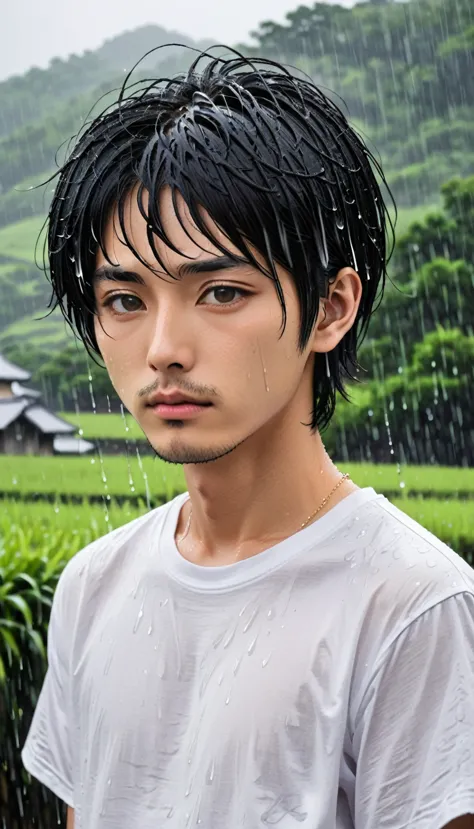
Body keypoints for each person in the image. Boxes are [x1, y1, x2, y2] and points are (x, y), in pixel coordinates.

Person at [22, 47, 474, 829]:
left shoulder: (412, 606)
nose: (164, 346)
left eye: (221, 291)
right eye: (125, 298)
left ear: (331, 308)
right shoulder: (93, 584)